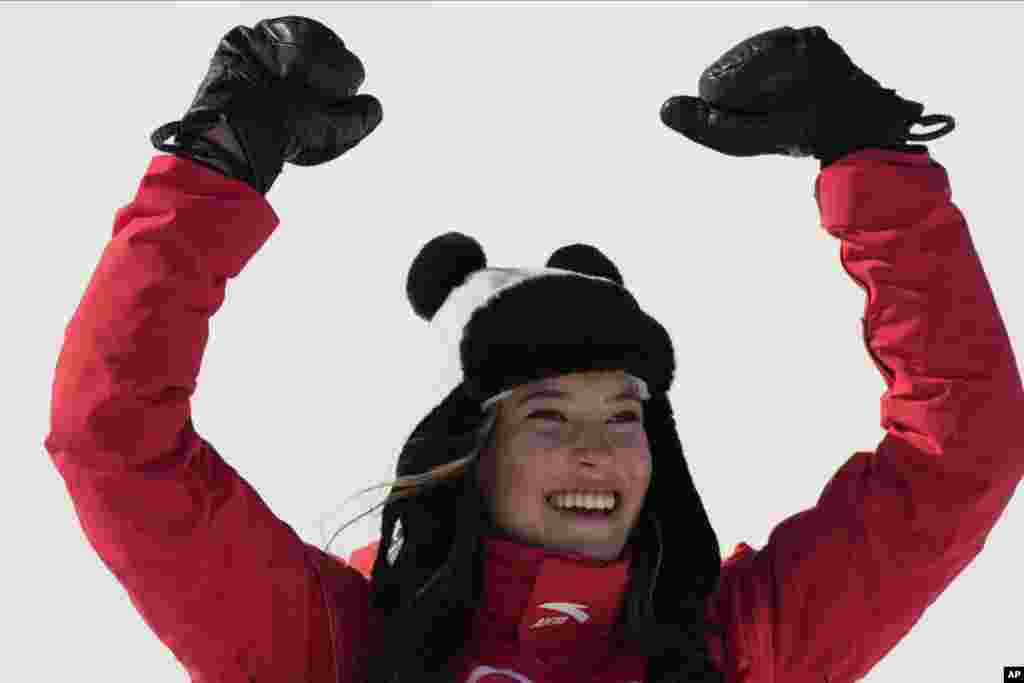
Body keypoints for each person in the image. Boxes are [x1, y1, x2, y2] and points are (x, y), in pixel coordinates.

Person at [42, 16, 1022, 683]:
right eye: (546, 416)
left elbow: (959, 456)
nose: (595, 448)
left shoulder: (736, 649)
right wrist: (212, 166)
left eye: (623, 414)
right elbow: (114, 442)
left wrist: (873, 164)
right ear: (466, 453)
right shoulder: (340, 652)